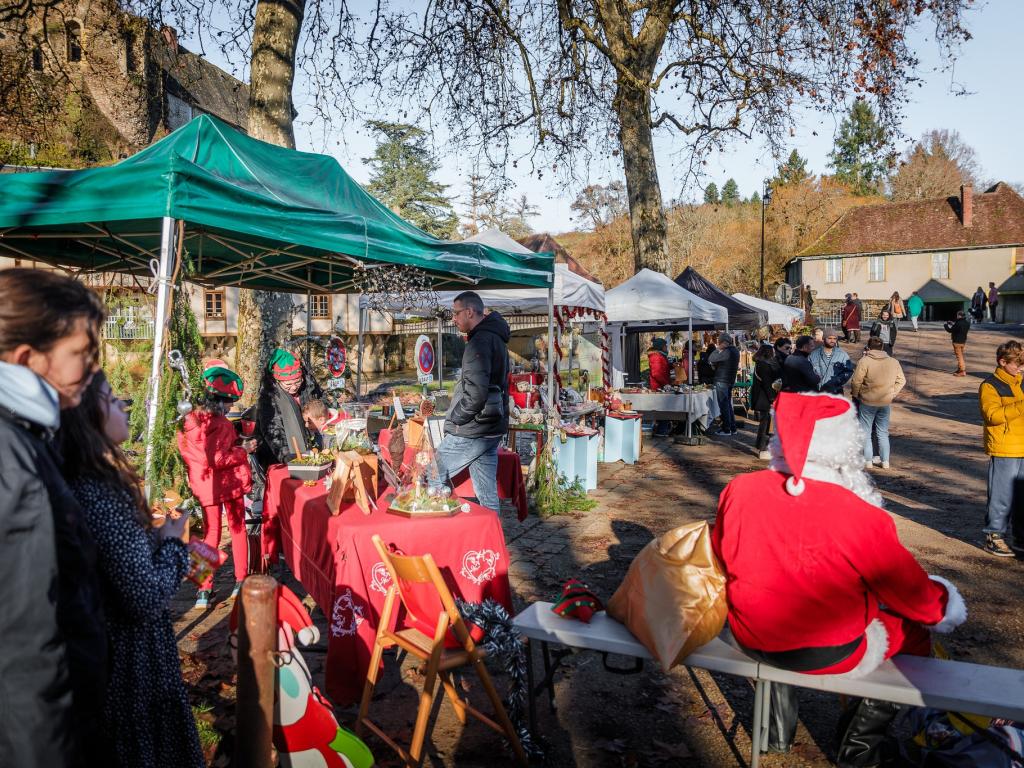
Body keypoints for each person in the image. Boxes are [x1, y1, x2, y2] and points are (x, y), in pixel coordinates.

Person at [712, 391, 966, 763]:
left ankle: (775, 732)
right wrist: (945, 600)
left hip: (748, 633)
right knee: (912, 631)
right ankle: (858, 749)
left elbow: (723, 553)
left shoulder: (741, 488)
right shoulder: (859, 514)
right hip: (824, 650)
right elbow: (916, 599)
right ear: (845, 445)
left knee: (780, 606)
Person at [61, 371, 204, 767]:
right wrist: (174, 542)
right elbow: (143, 597)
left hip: (122, 654)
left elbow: (118, 561)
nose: (123, 405)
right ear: (88, 421)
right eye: (110, 400)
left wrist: (153, 541)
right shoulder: (101, 492)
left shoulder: (90, 484)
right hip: (131, 663)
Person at [0, 268, 107, 768]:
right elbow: (25, 648)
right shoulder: (11, 458)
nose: (91, 370)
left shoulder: (28, 435)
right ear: (28, 359)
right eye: (80, 355)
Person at [177, 360, 256, 609]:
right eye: (230, 402)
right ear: (220, 401)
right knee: (237, 529)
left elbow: (196, 455)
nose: (231, 407)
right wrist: (243, 449)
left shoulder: (187, 422)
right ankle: (241, 580)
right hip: (227, 483)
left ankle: (203, 589)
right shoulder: (219, 424)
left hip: (203, 485)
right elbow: (219, 458)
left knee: (210, 533)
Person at [436, 291, 510, 512]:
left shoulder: (480, 342)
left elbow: (475, 394)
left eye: (456, 313)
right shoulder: (496, 337)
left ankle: (437, 537)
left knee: (430, 476)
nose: (454, 318)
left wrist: (456, 419)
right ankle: (492, 543)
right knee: (487, 495)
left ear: (469, 312)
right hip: (491, 426)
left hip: (472, 429)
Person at [979, 340, 1024, 557]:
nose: (1021, 367)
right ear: (1002, 362)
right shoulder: (990, 385)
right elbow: (992, 416)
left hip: (1022, 446)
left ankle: (1020, 536)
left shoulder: (1021, 382)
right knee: (1001, 495)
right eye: (1017, 364)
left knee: (1022, 497)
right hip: (1005, 447)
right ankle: (994, 535)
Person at [255, 347, 323, 469]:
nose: (293, 388)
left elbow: (320, 402)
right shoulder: (268, 399)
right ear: (277, 380)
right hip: (280, 459)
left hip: (311, 450)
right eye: (288, 384)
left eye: (297, 382)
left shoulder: (308, 387)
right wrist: (287, 455)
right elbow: (272, 429)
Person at [850, 338, 906, 470]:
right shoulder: (893, 362)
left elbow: (856, 381)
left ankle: (868, 461)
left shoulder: (864, 361)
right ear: (882, 348)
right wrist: (892, 394)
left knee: (866, 432)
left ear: (869, 347)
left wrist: (856, 394)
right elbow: (902, 380)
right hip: (885, 402)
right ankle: (885, 461)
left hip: (867, 401)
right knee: (882, 432)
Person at [751, 344, 782, 460]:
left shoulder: (760, 363)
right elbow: (767, 384)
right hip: (764, 398)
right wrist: (772, 399)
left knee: (765, 423)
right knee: (766, 424)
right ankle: (763, 448)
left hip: (761, 397)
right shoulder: (764, 365)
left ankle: (761, 446)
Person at [708, 332, 740, 436]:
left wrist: (718, 349)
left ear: (723, 342)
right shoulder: (735, 351)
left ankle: (726, 429)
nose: (718, 344)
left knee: (724, 405)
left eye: (719, 342)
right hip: (729, 380)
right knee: (728, 405)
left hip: (722, 381)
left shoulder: (726, 352)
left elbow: (711, 359)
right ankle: (733, 428)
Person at [808, 328, 854, 395]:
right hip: (818, 392)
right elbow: (808, 371)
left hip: (836, 392)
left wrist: (838, 380)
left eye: (834, 338)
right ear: (824, 338)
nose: (832, 341)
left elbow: (848, 371)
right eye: (829, 338)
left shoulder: (842, 354)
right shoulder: (814, 355)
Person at [647, 338, 672, 437]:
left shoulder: (660, 356)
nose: (667, 348)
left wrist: (671, 366)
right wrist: (666, 383)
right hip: (658, 387)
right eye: (665, 346)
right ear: (661, 347)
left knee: (664, 409)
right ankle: (661, 430)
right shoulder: (656, 357)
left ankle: (663, 429)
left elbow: (662, 368)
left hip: (661, 387)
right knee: (662, 409)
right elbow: (656, 373)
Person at [943, 311, 970, 377]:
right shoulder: (967, 323)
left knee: (959, 357)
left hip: (957, 342)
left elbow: (950, 330)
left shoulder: (958, 323)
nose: (956, 316)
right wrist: (952, 323)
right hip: (963, 341)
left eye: (957, 315)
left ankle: (962, 371)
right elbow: (958, 328)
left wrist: (945, 325)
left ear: (959, 316)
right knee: (961, 355)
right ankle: (959, 369)